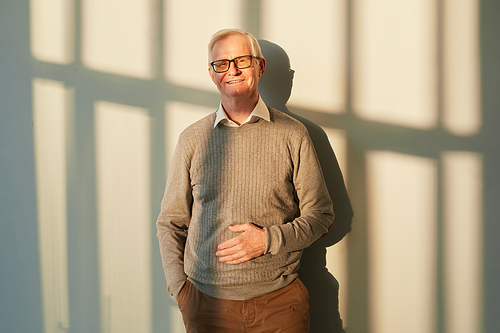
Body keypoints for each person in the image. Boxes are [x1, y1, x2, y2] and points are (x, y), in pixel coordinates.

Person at [156, 28, 334, 332]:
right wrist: (181, 290)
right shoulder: (193, 139)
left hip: (279, 304)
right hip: (206, 306)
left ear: (260, 66)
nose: (232, 71)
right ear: (213, 74)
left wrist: (266, 241)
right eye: (221, 64)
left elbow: (322, 218)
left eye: (242, 60)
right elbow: (170, 222)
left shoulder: (293, 134)